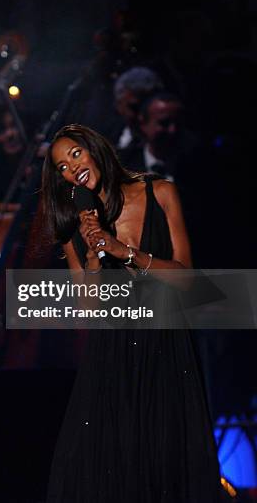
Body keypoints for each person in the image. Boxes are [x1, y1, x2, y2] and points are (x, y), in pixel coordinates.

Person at [41, 124, 229, 502]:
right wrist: (94, 262)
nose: (71, 168)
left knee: (167, 470)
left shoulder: (160, 193)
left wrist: (125, 252)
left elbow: (188, 280)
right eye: (61, 166)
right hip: (111, 359)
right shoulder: (74, 228)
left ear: (95, 149)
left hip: (167, 351)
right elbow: (86, 313)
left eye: (75, 154)